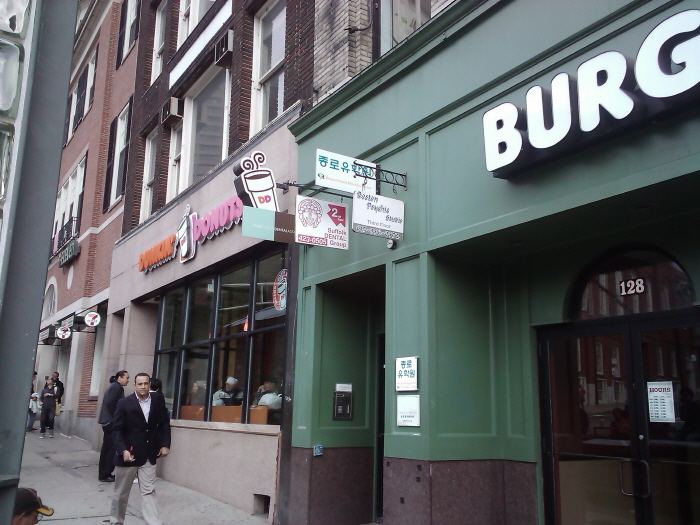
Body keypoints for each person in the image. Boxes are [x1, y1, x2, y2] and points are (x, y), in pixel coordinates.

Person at [110, 373, 171, 525]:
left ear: (149, 384)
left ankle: (153, 522)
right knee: (121, 494)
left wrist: (165, 444)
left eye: (146, 383)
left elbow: (164, 423)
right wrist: (122, 450)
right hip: (129, 454)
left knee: (149, 491)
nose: (143, 386)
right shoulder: (124, 403)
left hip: (149, 453)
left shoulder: (157, 399)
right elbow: (116, 430)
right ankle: (116, 521)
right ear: (135, 385)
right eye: (140, 384)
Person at [97, 370, 129, 482]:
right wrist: (118, 417)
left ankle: (103, 474)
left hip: (107, 421)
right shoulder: (116, 388)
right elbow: (112, 403)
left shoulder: (113, 387)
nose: (128, 380)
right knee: (112, 449)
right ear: (119, 378)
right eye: (126, 377)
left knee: (106, 449)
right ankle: (106, 474)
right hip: (110, 422)